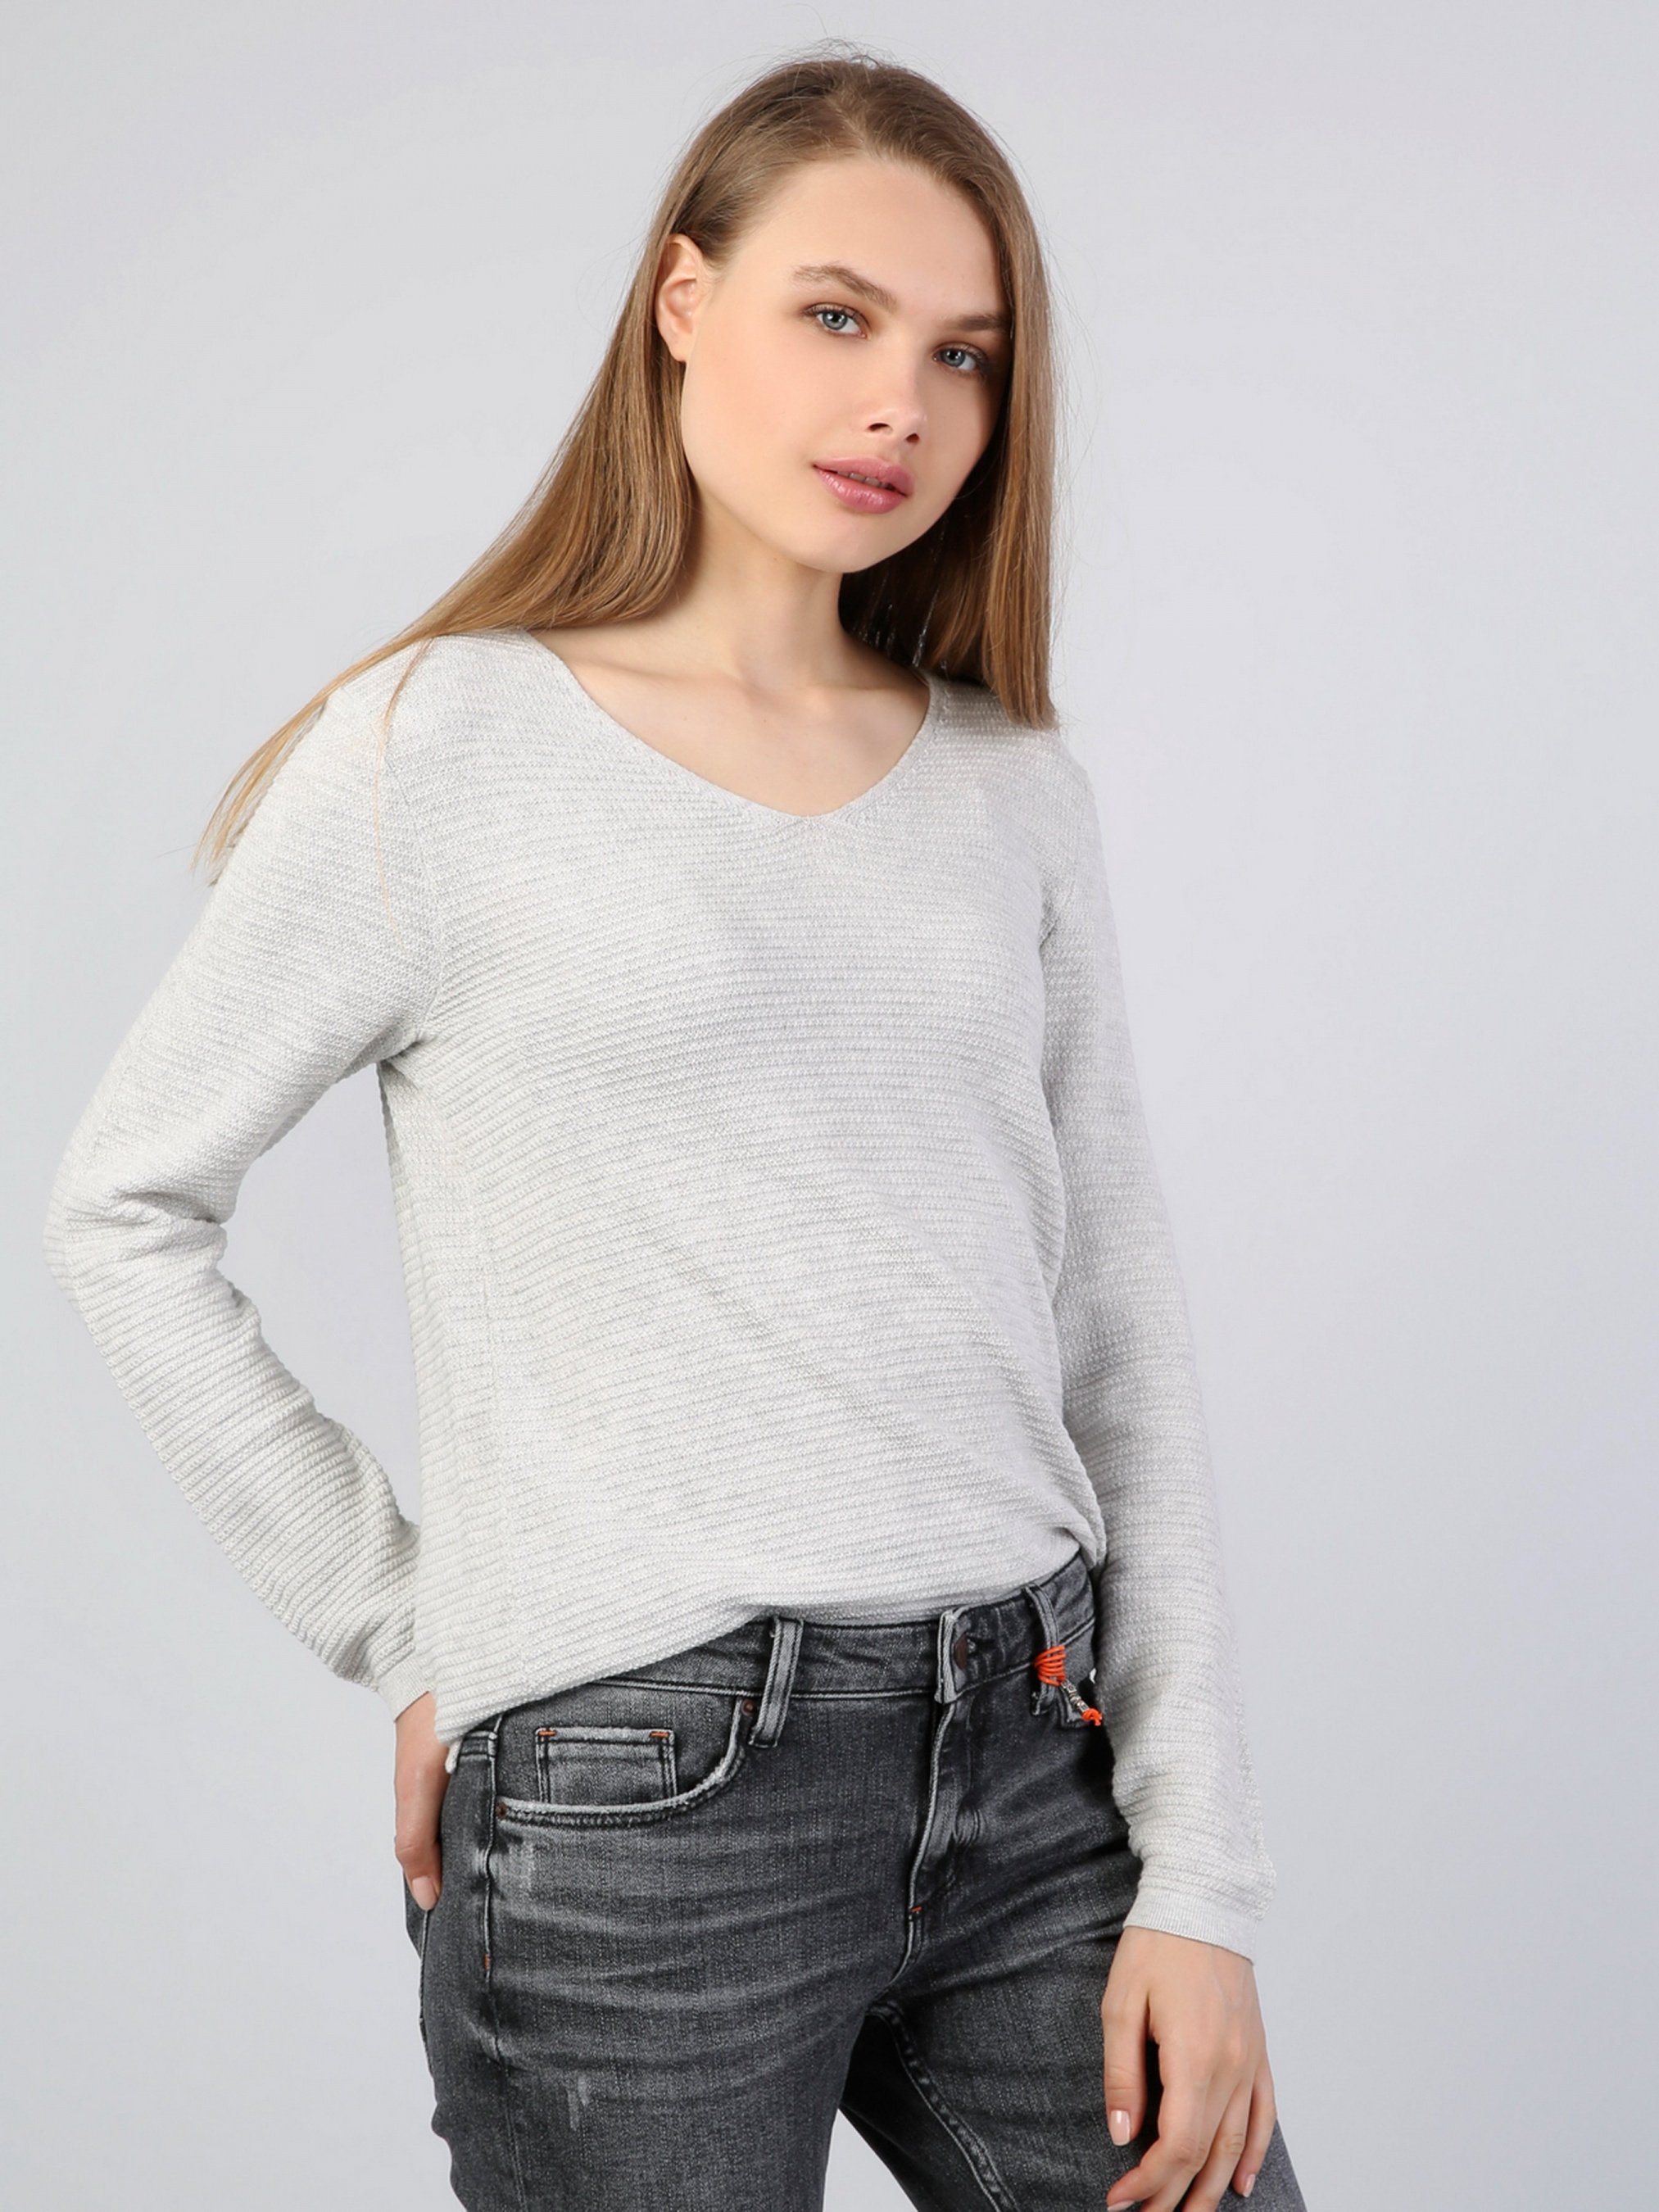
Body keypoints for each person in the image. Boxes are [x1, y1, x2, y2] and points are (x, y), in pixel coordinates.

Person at [42, 48, 1306, 2212]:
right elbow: (125, 1207)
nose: (900, 400)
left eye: (962, 354)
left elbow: (1117, 1327)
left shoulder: (1009, 787)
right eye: (838, 313)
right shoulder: (437, 747)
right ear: (683, 301)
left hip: (1037, 1758)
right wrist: (411, 1625)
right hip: (641, 1800)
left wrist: (1199, 1875)